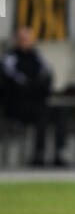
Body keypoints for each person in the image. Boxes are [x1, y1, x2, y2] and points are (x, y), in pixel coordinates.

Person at [0, 27, 65, 166]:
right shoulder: (10, 59)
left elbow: (47, 77)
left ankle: (59, 153)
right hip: (16, 106)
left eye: (28, 39)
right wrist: (34, 88)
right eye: (22, 39)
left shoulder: (38, 57)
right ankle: (38, 155)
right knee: (41, 113)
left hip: (36, 103)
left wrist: (37, 88)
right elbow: (15, 83)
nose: (25, 42)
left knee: (58, 112)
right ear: (17, 40)